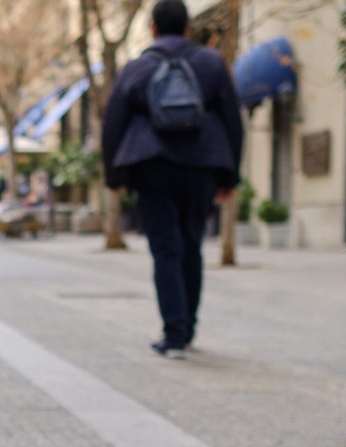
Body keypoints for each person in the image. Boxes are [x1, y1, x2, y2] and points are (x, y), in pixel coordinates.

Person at [101, 0, 244, 360]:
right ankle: (188, 327)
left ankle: (174, 334)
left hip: (152, 166)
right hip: (202, 166)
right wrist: (231, 174)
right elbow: (232, 119)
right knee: (191, 245)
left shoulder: (136, 68)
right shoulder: (211, 63)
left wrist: (113, 175)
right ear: (187, 28)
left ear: (151, 28)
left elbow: (113, 124)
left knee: (166, 249)